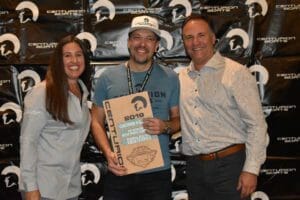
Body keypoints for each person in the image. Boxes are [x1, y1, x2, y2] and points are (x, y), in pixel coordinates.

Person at [179, 15, 269, 200]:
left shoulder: (236, 73)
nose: (195, 42)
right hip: (195, 168)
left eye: (201, 35)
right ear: (183, 42)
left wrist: (251, 169)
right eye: (189, 37)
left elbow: (257, 125)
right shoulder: (180, 78)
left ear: (213, 38)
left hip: (230, 166)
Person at [91, 15, 180, 200]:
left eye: (149, 39)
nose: (142, 44)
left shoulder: (171, 78)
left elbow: (178, 120)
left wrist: (165, 126)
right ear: (129, 42)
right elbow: (96, 121)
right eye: (137, 37)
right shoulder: (108, 78)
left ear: (157, 45)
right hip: (120, 170)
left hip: (157, 174)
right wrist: (108, 154)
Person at [19, 35, 92, 200]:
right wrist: (31, 188)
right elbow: (28, 141)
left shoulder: (82, 91)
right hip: (43, 189)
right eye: (67, 55)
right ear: (59, 61)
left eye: (79, 54)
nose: (74, 60)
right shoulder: (42, 92)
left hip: (70, 188)